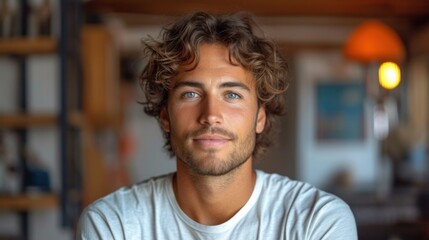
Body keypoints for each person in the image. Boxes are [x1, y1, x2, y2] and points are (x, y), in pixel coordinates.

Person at [77, 11, 357, 239]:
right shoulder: (114, 225)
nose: (211, 115)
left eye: (232, 95)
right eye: (191, 94)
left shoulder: (318, 222)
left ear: (260, 117)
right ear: (165, 116)